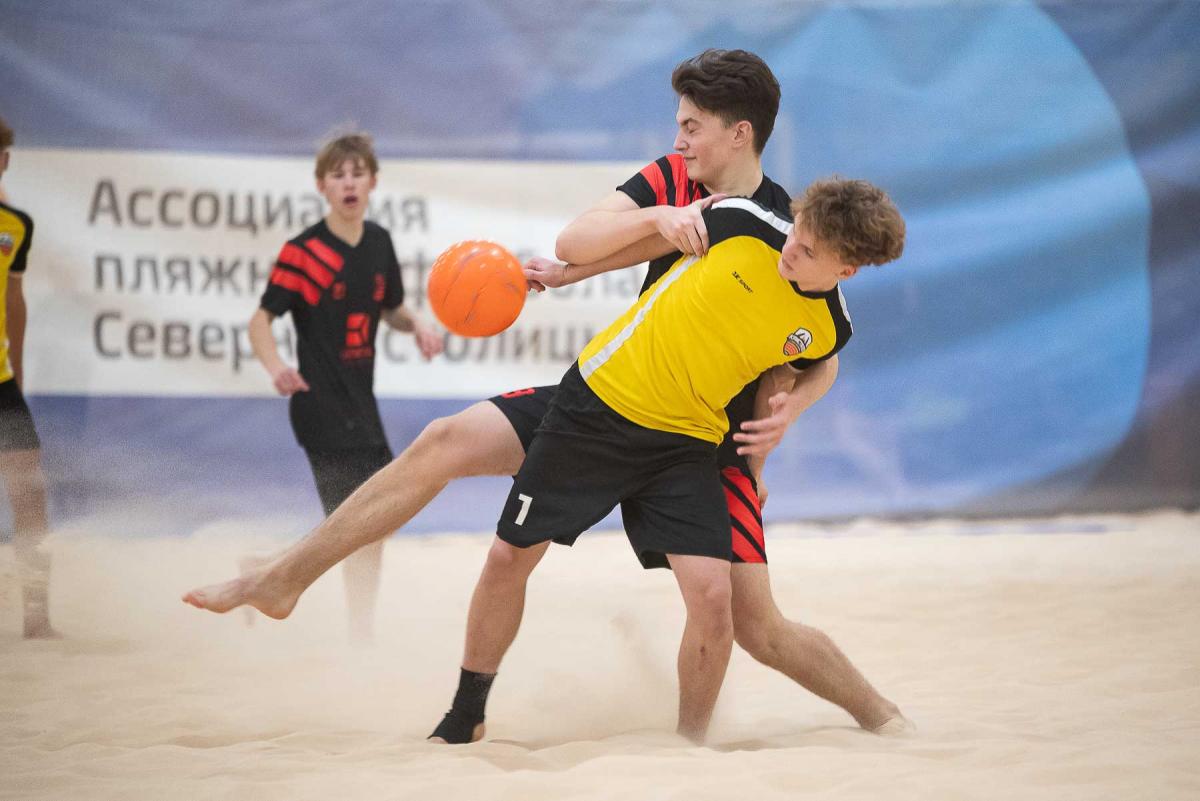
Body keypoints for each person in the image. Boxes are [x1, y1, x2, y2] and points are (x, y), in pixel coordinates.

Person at [185, 49, 906, 738]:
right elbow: (580, 237)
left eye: (692, 126)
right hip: (612, 395)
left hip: (707, 442)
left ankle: (878, 715)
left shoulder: (790, 231)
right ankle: (286, 579)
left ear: (738, 132)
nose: (678, 139)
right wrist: (618, 241)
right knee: (444, 441)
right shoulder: (676, 181)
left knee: (757, 627)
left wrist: (772, 440)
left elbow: (807, 353)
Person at [249, 132, 442, 642]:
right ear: (322, 186)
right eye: (338, 175)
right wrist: (276, 367)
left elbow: (390, 309)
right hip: (319, 406)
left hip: (362, 405)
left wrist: (417, 324)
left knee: (371, 523)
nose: (349, 183)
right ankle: (360, 633)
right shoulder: (303, 252)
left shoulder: (378, 242)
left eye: (357, 173)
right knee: (356, 526)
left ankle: (266, 568)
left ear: (373, 181)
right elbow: (260, 320)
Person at [0, 115, 56, 639]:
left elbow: (14, 299)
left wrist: (16, 371)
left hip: (0, 382)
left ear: (4, 160)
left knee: (30, 491)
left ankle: (36, 617)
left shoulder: (15, 225)